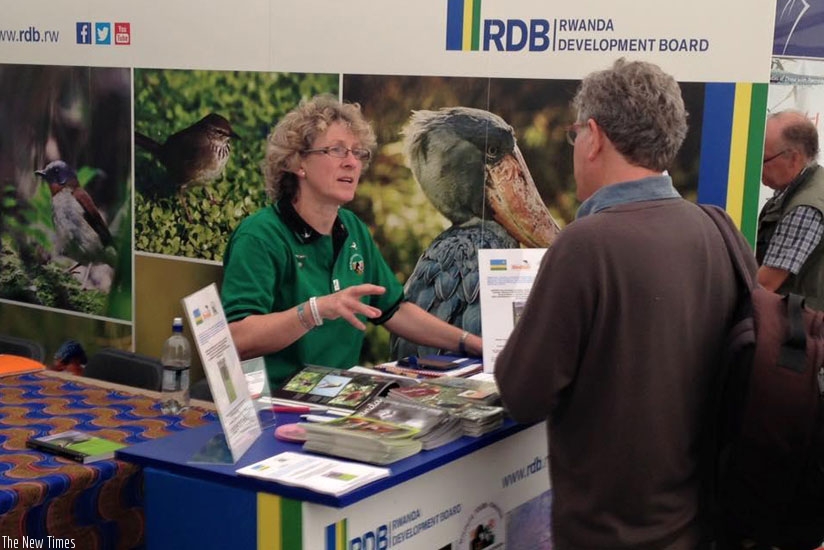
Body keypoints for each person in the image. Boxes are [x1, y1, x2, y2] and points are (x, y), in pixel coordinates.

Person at [494, 59, 744, 549]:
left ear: (594, 137)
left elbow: (523, 395)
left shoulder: (586, 246)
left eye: (574, 136)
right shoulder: (718, 230)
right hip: (700, 526)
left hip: (608, 534)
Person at [221, 94, 481, 388]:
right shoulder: (259, 236)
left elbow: (394, 310)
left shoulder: (352, 228)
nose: (352, 163)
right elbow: (237, 339)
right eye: (337, 150)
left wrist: (470, 342)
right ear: (297, 162)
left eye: (358, 153)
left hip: (337, 395)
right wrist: (314, 311)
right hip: (274, 401)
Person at [756, 110, 824, 310]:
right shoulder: (802, 187)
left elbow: (766, 283)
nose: (757, 168)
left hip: (799, 322)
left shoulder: (805, 208)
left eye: (763, 160)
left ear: (794, 158)